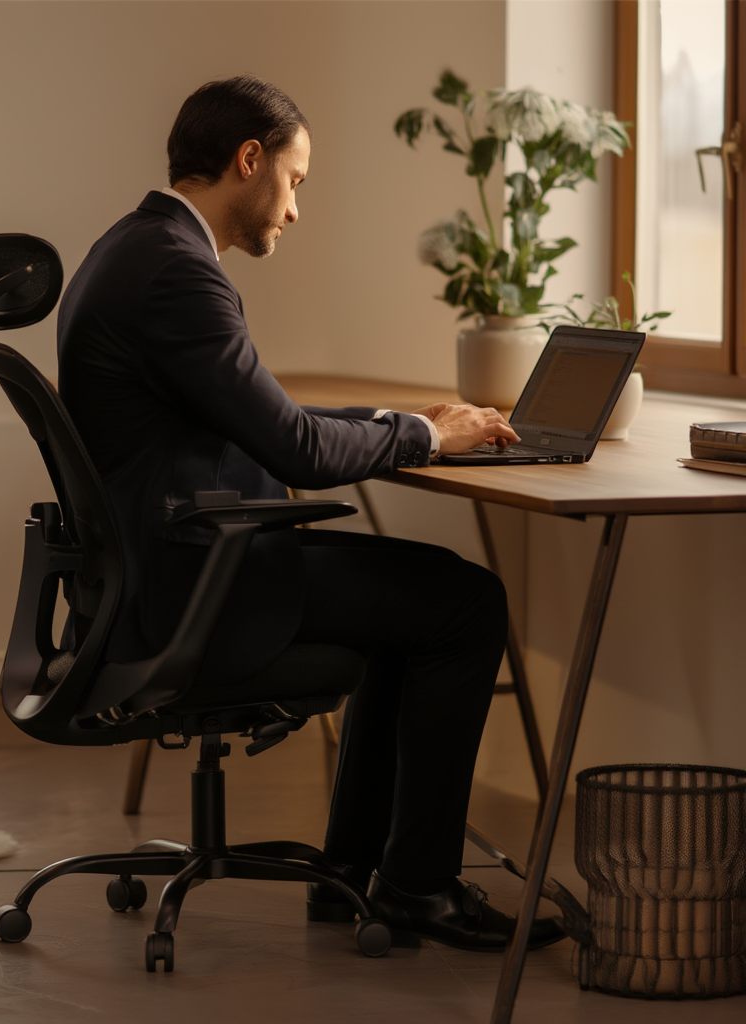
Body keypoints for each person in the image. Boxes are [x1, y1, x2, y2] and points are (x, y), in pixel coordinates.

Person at [57, 74, 564, 952]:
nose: (294, 209)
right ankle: (416, 887)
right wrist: (423, 438)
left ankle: (351, 877)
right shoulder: (178, 274)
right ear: (247, 161)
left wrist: (409, 425)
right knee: (463, 603)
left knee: (417, 598)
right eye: (293, 182)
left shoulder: (133, 249)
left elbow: (271, 424)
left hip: (157, 569)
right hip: (197, 586)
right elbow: (292, 451)